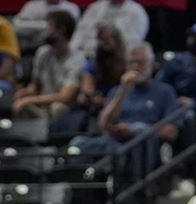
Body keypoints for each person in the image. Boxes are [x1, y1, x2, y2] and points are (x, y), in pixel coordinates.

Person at [74, 43, 179, 177]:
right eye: (131, 63)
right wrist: (123, 91)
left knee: (138, 132)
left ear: (152, 65)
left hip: (144, 145)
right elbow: (103, 124)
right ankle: (83, 189)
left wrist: (135, 129)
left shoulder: (165, 92)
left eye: (140, 63)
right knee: (77, 144)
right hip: (114, 142)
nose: (135, 67)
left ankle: (134, 191)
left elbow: (171, 132)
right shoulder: (117, 91)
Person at [13, 10, 83, 121]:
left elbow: (64, 96)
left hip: (63, 108)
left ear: (62, 30)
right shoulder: (42, 53)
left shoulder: (77, 59)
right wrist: (24, 93)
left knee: (58, 108)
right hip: (42, 103)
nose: (45, 30)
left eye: (49, 26)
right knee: (18, 103)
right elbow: (35, 86)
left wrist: (29, 100)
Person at [70, 0, 149, 60]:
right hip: (84, 58)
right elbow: (77, 38)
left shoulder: (136, 13)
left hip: (117, 61)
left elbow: (131, 47)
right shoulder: (94, 8)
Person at [12, 0, 80, 46]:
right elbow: (16, 26)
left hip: (60, 50)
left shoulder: (71, 8)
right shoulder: (32, 6)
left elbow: (70, 33)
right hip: (29, 51)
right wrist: (45, 26)